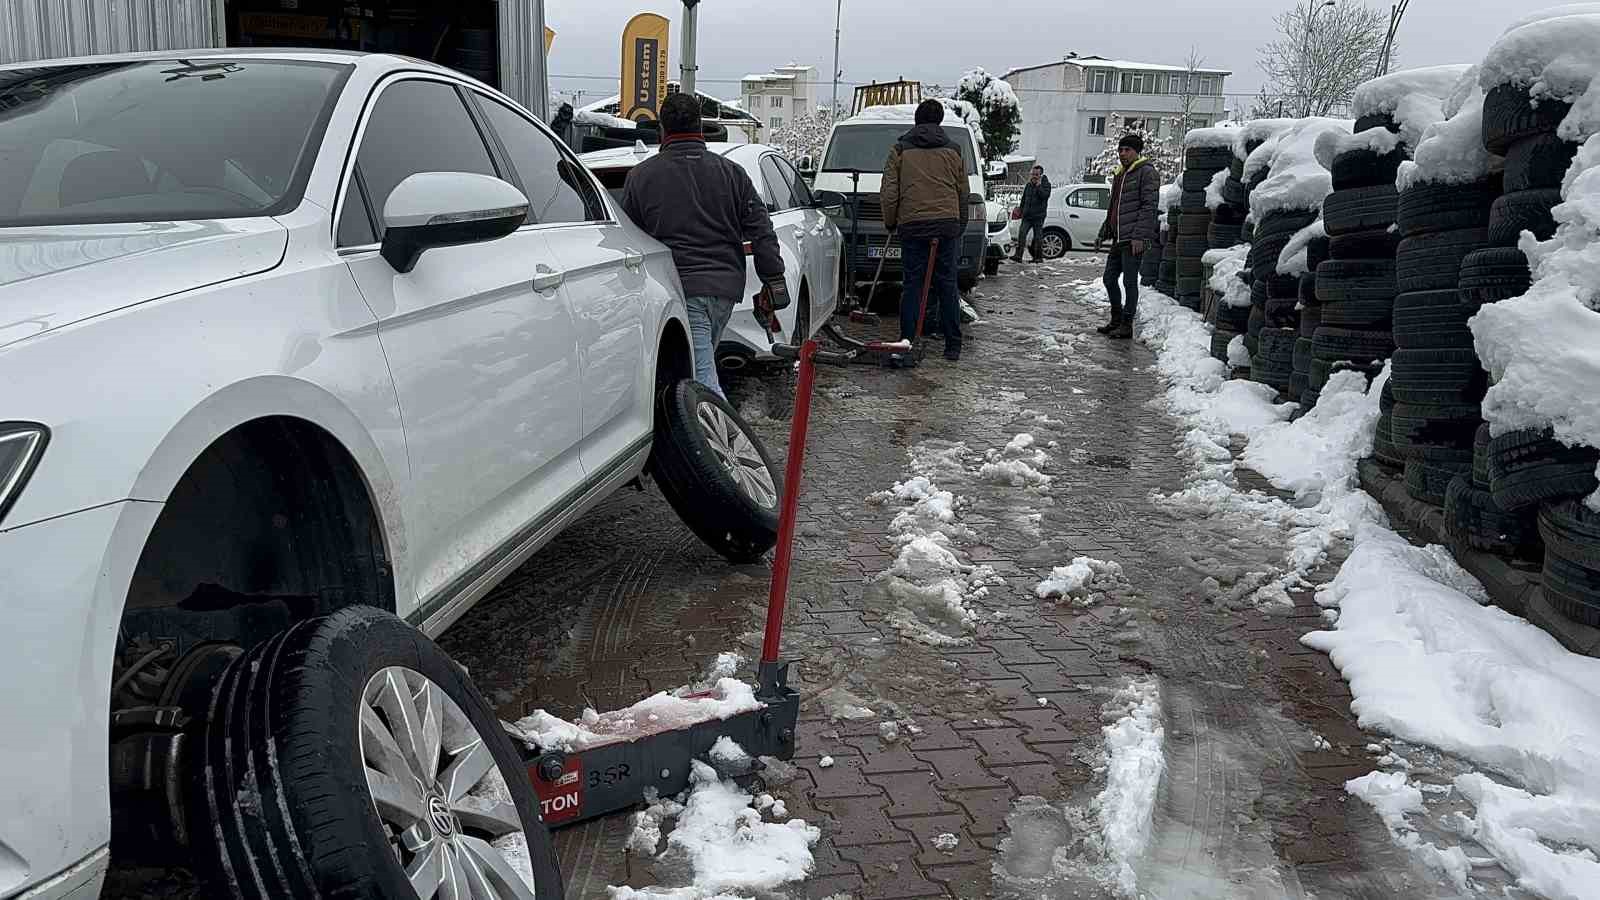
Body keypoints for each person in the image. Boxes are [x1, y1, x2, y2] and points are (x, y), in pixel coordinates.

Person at [622, 92, 786, 397]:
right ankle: (686, 435)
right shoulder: (732, 173)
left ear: (662, 129)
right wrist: (773, 280)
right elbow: (761, 228)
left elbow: (627, 239)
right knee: (695, 369)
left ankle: (724, 441)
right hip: (725, 290)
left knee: (701, 381)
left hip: (681, 289)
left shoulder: (641, 177)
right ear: (700, 127)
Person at [881, 99, 968, 363]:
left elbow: (889, 191)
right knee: (947, 285)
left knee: (913, 285)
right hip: (946, 225)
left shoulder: (900, 149)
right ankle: (953, 346)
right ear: (940, 121)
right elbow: (963, 191)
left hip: (913, 225)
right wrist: (958, 224)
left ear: (916, 120)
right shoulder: (954, 150)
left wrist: (891, 221)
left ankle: (908, 340)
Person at [1094, 134, 1160, 340]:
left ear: (1136, 152)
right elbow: (1114, 208)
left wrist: (1139, 237)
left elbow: (1149, 206)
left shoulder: (1146, 172)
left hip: (1134, 239)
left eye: (1127, 150)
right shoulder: (1120, 174)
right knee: (1108, 279)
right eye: (1120, 150)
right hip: (1119, 238)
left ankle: (1126, 325)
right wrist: (1103, 232)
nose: (1122, 153)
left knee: (1130, 282)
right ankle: (1116, 319)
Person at [1013, 165, 1052, 263]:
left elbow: (1045, 196)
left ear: (1041, 175)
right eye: (1033, 174)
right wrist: (1021, 209)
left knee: (1038, 237)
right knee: (1022, 234)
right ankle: (1018, 255)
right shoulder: (1028, 185)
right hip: (1027, 216)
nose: (1034, 176)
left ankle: (1038, 257)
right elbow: (1024, 199)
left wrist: (1039, 186)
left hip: (1038, 216)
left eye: (1036, 174)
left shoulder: (1046, 185)